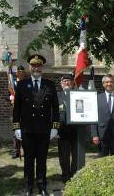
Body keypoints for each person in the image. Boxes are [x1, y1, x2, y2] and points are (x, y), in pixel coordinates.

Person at [12, 54, 60, 196]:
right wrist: (17, 128)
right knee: (28, 161)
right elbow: (17, 109)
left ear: (42, 67)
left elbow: (55, 108)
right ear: (30, 67)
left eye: (39, 65)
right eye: (34, 65)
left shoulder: (49, 85)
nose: (36, 68)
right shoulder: (21, 85)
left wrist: (54, 127)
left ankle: (42, 186)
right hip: (27, 130)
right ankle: (28, 187)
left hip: (44, 130)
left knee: (41, 160)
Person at [57, 74, 77, 183]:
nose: (66, 83)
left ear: (73, 83)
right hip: (62, 131)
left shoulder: (77, 94)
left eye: (68, 81)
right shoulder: (57, 96)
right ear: (61, 84)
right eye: (64, 81)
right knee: (64, 155)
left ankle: (74, 174)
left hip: (76, 130)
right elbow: (53, 113)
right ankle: (65, 175)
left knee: (76, 154)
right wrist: (54, 129)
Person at [11, 65, 26, 159]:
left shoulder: (27, 83)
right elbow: (7, 94)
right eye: (18, 71)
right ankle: (15, 151)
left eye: (22, 71)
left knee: (25, 130)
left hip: (25, 110)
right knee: (15, 130)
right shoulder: (12, 83)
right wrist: (10, 98)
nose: (20, 73)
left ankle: (24, 149)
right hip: (14, 110)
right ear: (16, 73)